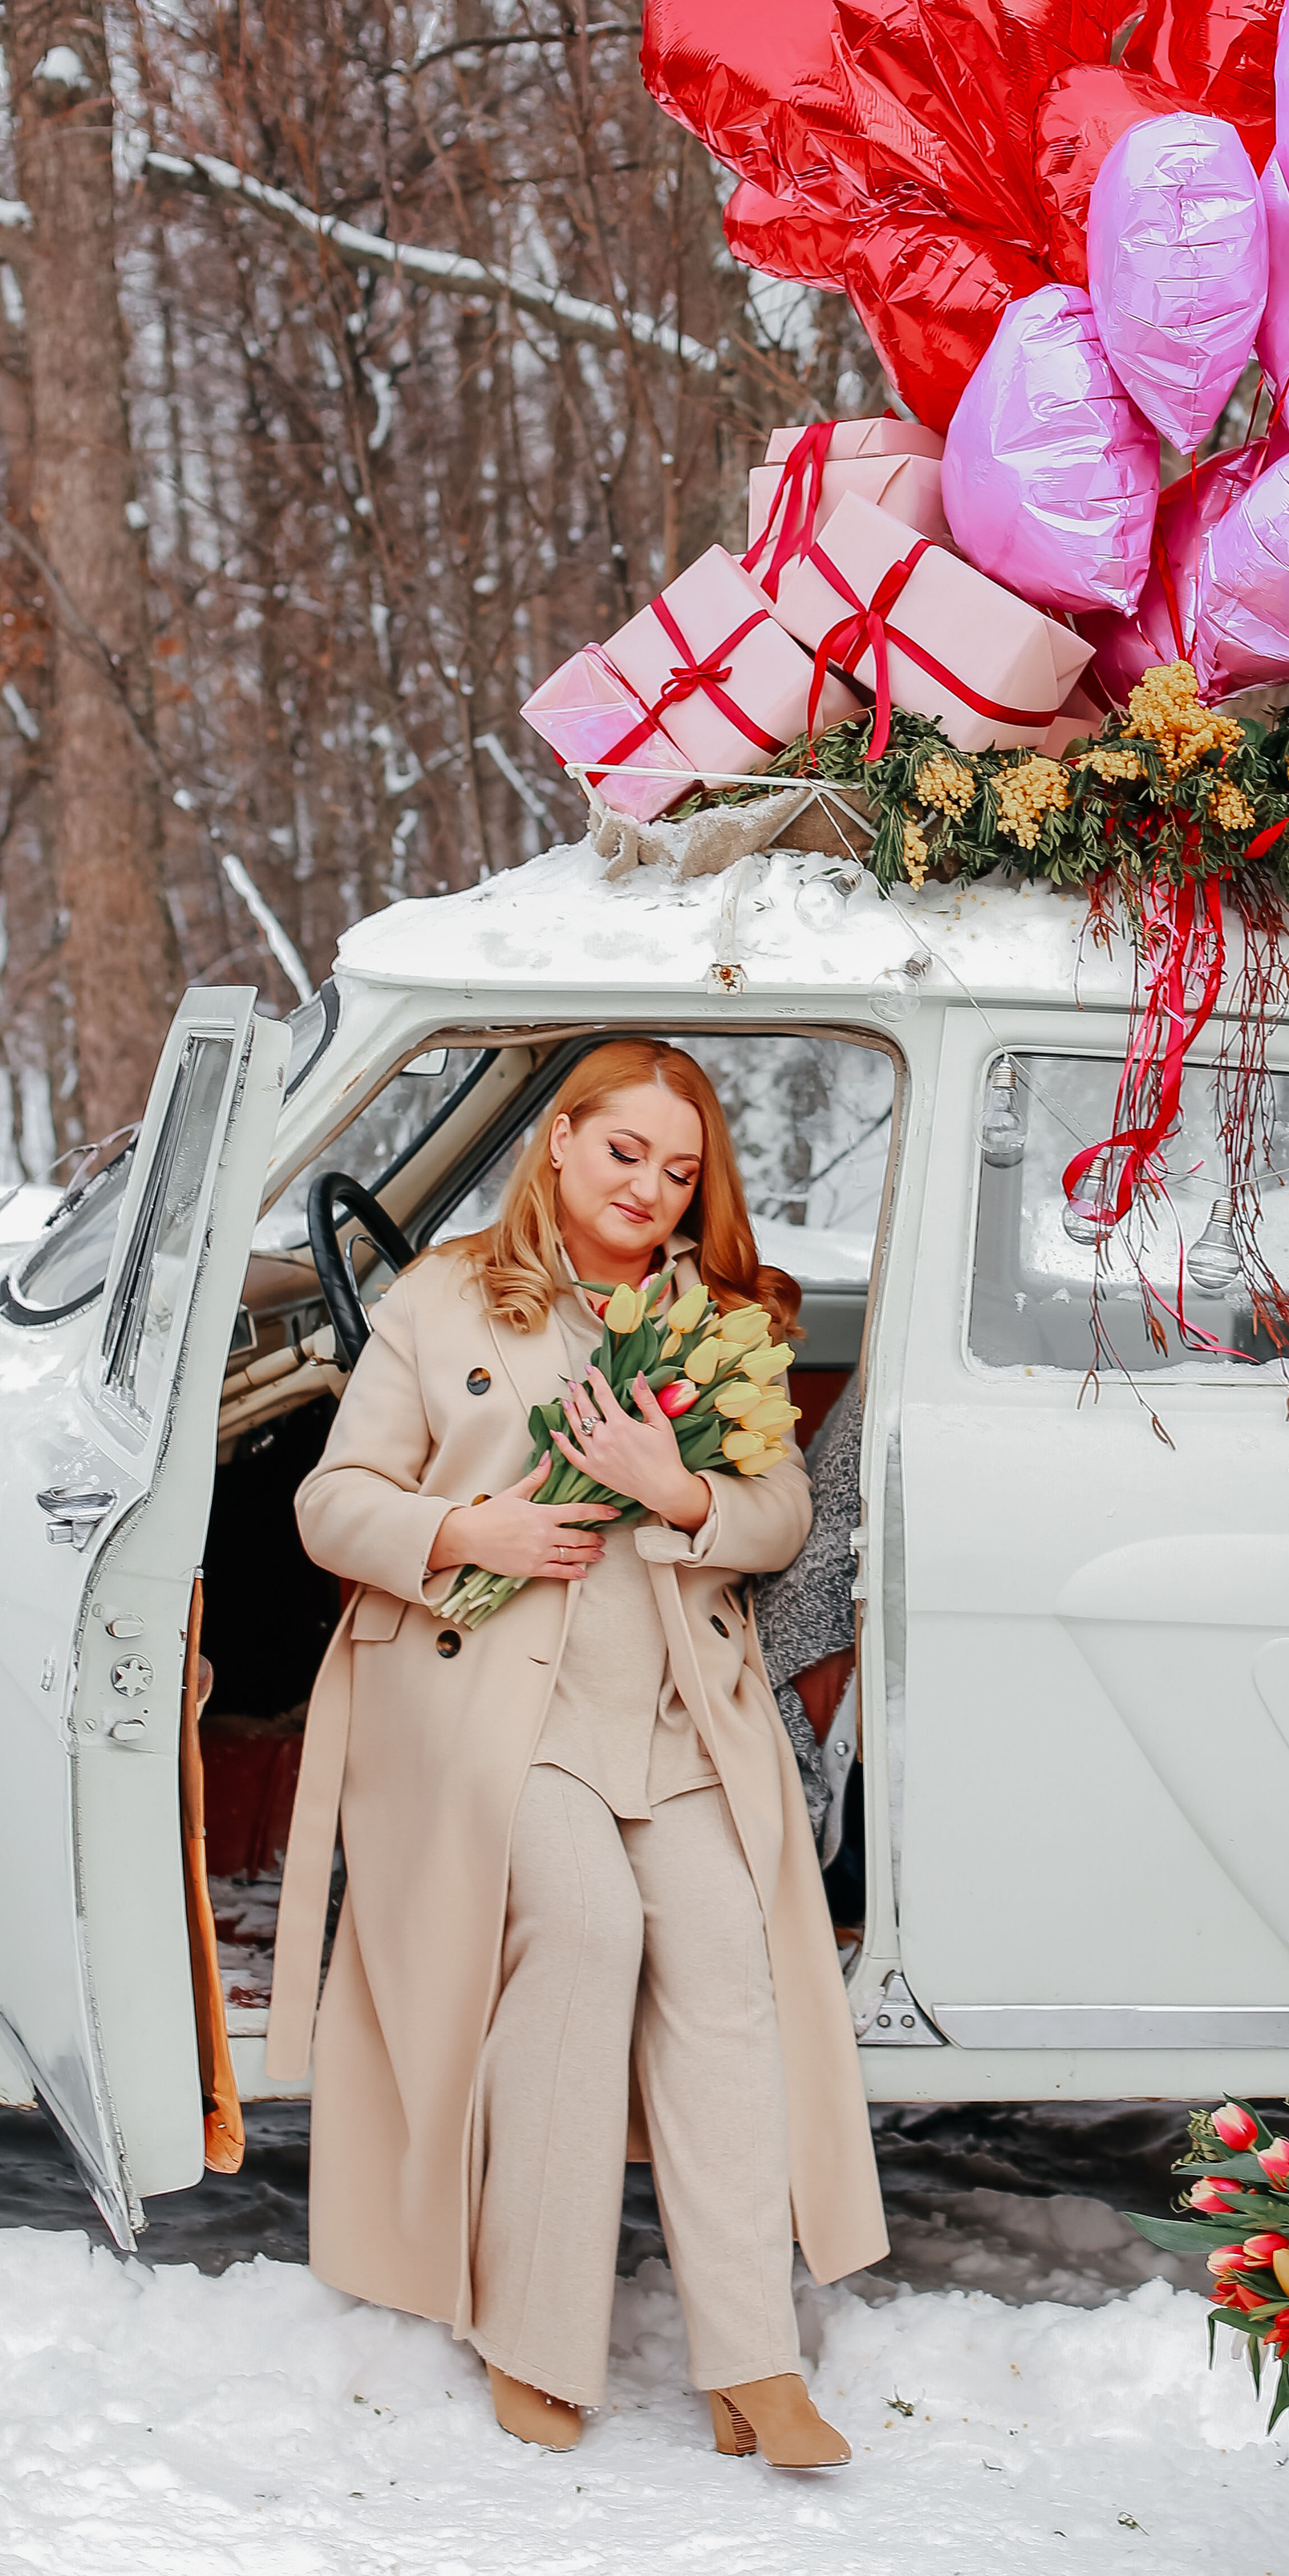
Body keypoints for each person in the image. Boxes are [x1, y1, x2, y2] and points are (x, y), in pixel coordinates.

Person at [266, 1039, 887, 2463]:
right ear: (559, 1142)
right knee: (590, 1931)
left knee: (724, 1957)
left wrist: (678, 1493)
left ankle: (754, 2362)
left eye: (680, 1173)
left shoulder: (714, 1317)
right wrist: (459, 1533)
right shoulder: (448, 1297)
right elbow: (329, 1501)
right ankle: (536, 2328)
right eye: (625, 1155)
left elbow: (781, 1520)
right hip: (489, 1703)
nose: (650, 1192)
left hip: (672, 1711)